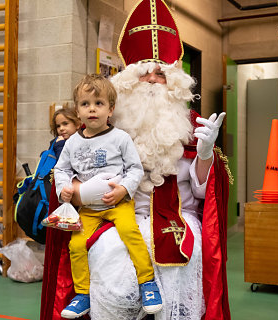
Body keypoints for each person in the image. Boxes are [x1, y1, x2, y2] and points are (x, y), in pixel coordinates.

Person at [40, 1, 232, 319]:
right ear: (128, 81)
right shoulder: (108, 127)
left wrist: (205, 154)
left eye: (161, 74)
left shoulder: (192, 124)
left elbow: (204, 195)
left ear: (174, 82)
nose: (154, 81)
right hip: (115, 216)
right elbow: (74, 173)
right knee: (105, 253)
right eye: (145, 75)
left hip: (180, 218)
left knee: (184, 257)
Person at [49, 73, 163, 319]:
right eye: (85, 104)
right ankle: (82, 294)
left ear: (110, 110)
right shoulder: (71, 143)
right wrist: (64, 188)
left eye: (99, 104)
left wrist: (123, 189)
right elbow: (61, 169)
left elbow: (135, 169)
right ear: (77, 112)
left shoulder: (120, 138)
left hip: (118, 203)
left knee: (130, 234)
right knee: (76, 244)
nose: (92, 110)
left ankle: (147, 283)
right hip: (89, 209)